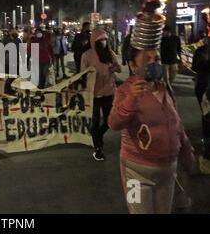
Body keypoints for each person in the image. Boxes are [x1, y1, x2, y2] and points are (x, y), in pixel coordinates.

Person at [108, 47, 195, 213]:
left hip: (167, 171)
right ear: (133, 66)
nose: (154, 63)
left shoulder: (164, 87)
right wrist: (132, 99)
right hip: (135, 173)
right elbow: (114, 123)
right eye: (147, 59)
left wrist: (186, 151)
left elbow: (177, 124)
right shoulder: (124, 91)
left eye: (157, 59)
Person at [81, 29, 121, 160]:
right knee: (96, 120)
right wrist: (89, 74)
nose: (103, 42)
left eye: (105, 40)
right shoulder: (87, 55)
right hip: (93, 93)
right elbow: (82, 73)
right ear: (94, 42)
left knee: (109, 120)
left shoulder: (109, 53)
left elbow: (118, 68)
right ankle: (98, 148)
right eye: (100, 40)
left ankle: (97, 135)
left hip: (109, 91)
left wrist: (112, 68)